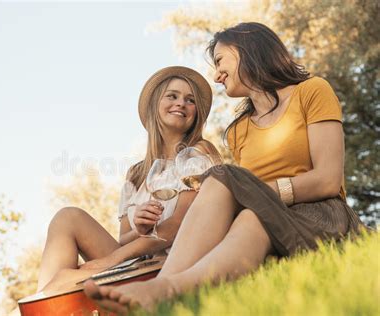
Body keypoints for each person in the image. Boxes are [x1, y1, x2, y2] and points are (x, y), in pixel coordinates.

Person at [83, 22, 367, 314]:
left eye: (220, 61)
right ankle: (163, 290)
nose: (217, 75)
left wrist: (258, 194)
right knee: (247, 217)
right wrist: (251, 200)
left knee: (225, 179)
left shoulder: (311, 91)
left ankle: (164, 288)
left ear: (247, 49)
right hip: (267, 218)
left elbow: (328, 180)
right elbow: (246, 206)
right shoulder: (238, 130)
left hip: (321, 214)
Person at [35, 66, 221, 293]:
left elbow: (178, 226)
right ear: (155, 106)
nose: (181, 103)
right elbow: (124, 238)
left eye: (190, 100)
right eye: (172, 96)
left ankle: (44, 302)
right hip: (137, 261)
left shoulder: (197, 153)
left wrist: (109, 261)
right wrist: (142, 229)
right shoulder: (137, 173)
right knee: (67, 217)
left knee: (65, 280)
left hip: (170, 263)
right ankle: (47, 303)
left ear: (196, 114)